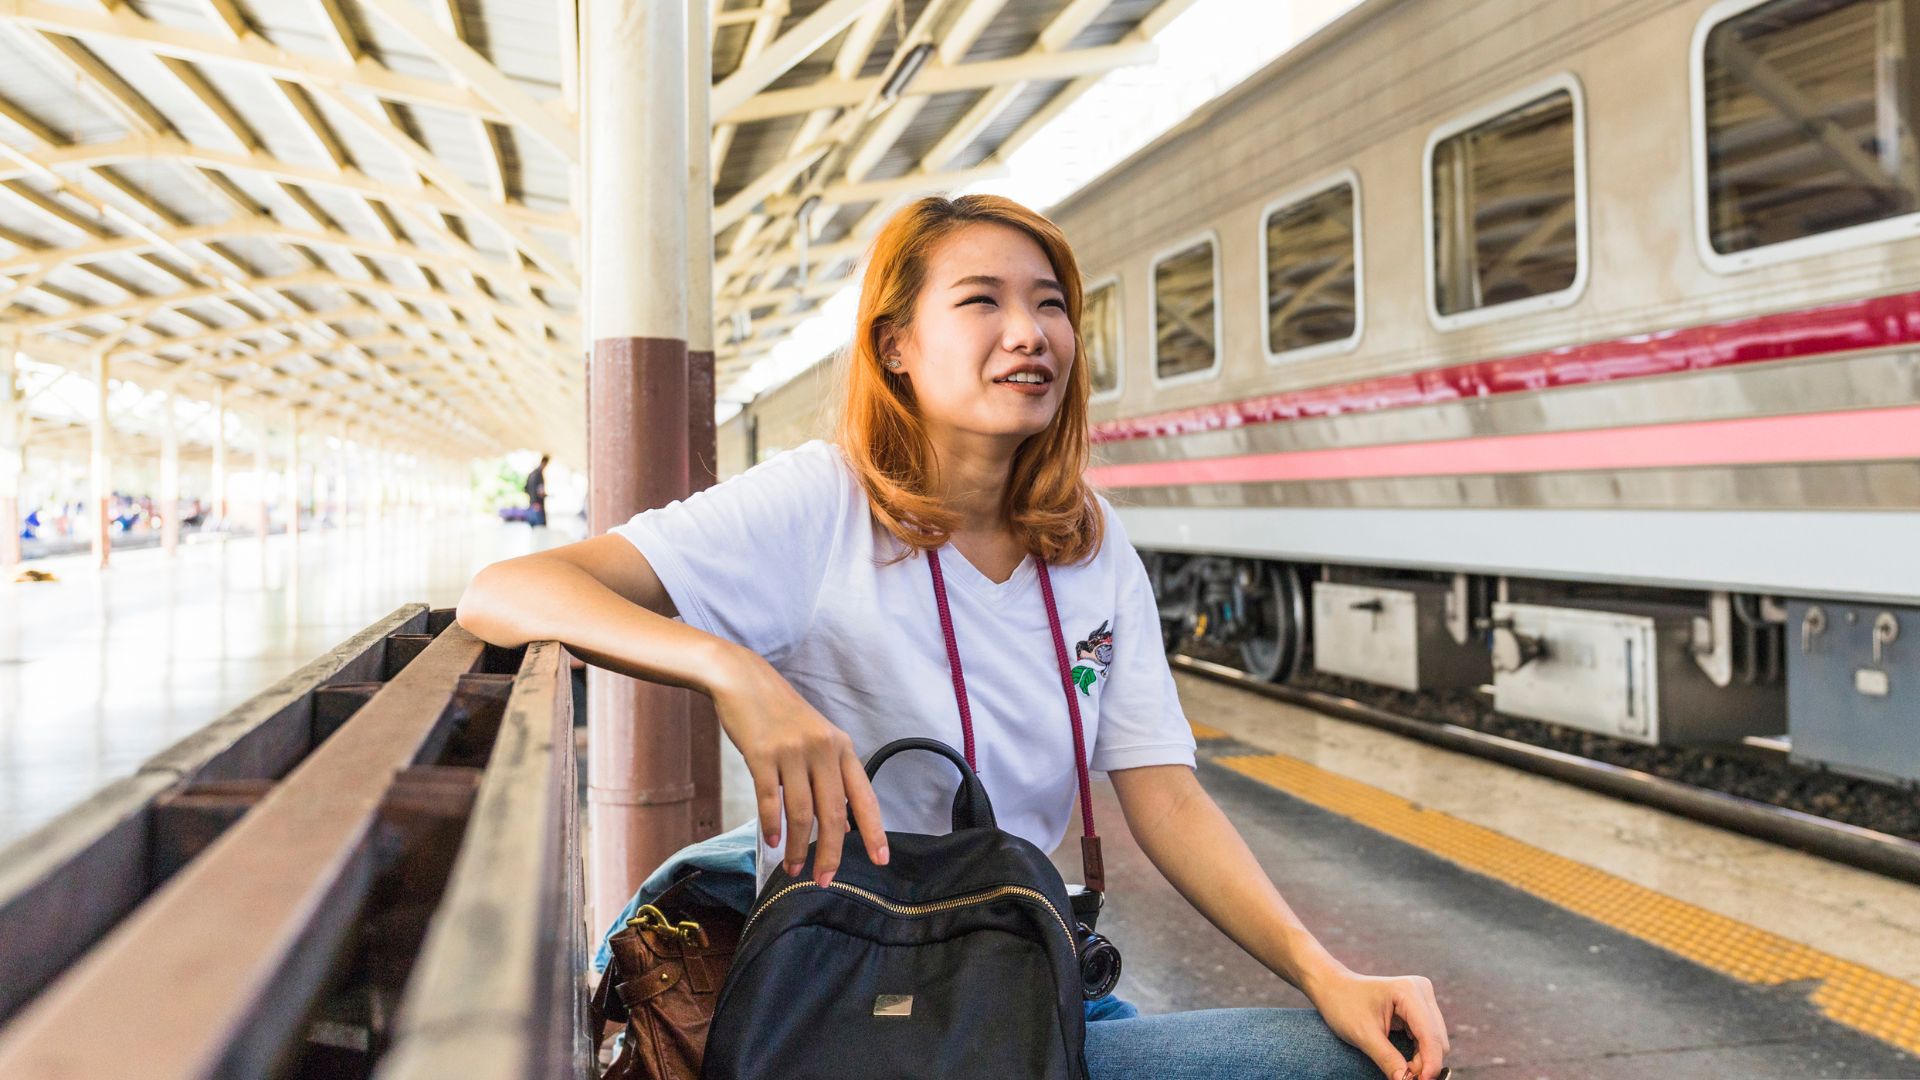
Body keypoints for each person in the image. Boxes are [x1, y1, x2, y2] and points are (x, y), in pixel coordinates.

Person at [456, 195, 1449, 1080]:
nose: (1029, 332)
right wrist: (732, 670)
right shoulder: (821, 504)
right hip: (857, 998)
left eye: (1051, 302)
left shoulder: (1093, 547)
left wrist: (1326, 970)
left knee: (1372, 1048)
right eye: (982, 301)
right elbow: (507, 590)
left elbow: (1165, 792)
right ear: (896, 344)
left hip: (1029, 966)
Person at [524, 453, 549, 528]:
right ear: (545, 463)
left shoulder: (531, 473)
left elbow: (525, 489)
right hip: (538, 506)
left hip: (531, 504)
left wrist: (532, 500)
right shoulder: (539, 474)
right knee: (541, 529)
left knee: (534, 529)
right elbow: (540, 491)